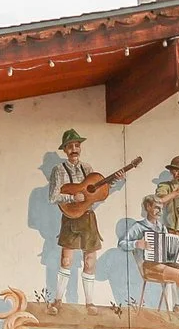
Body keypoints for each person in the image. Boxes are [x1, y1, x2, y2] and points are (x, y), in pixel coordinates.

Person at [48, 130, 128, 307]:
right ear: (65, 150)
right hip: (70, 217)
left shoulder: (88, 169)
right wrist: (72, 198)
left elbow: (98, 190)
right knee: (66, 261)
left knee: (90, 262)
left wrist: (114, 180)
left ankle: (89, 303)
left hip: (88, 218)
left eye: (77, 145)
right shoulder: (59, 170)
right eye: (70, 146)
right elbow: (53, 197)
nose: (74, 149)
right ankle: (58, 300)